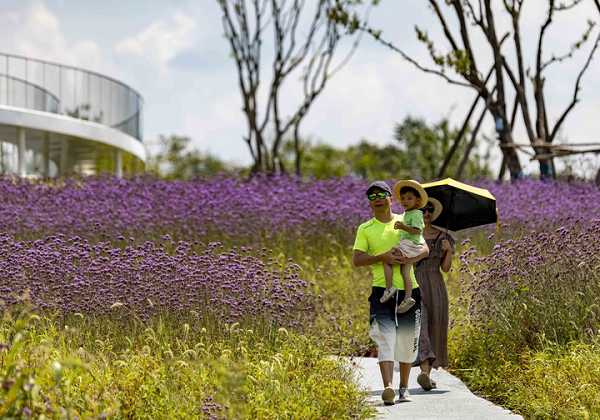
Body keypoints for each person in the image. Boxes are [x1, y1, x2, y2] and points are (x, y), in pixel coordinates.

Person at [353, 180, 429, 405]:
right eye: (371, 197)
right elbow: (357, 260)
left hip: (409, 291)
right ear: (369, 203)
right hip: (382, 291)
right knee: (385, 340)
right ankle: (388, 388)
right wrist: (382, 257)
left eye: (380, 195)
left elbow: (424, 249)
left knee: (407, 341)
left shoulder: (405, 219)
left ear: (390, 198)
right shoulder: (365, 229)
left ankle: (404, 388)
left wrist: (407, 259)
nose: (376, 199)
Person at [412, 197, 455, 391]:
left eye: (430, 209)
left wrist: (448, 252)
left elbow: (446, 269)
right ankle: (424, 373)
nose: (426, 212)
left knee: (435, 328)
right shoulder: (412, 235)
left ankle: (425, 375)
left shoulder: (444, 237)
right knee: (419, 327)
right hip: (414, 283)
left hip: (436, 285)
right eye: (422, 209)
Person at [379, 180, 428, 315]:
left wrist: (402, 227)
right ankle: (408, 298)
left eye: (409, 198)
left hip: (410, 245)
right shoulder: (408, 213)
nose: (405, 201)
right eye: (403, 199)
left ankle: (389, 288)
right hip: (411, 245)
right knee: (405, 272)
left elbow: (417, 231)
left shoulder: (416, 213)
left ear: (417, 201)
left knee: (387, 259)